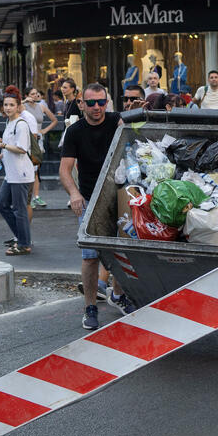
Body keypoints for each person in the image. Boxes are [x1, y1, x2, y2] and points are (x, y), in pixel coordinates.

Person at [59, 82, 135, 328]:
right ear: (81, 104)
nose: (96, 107)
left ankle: (118, 294)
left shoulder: (116, 121)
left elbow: (136, 135)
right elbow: (64, 169)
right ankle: (90, 307)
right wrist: (74, 194)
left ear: (107, 102)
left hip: (119, 196)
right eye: (91, 103)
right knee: (90, 256)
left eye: (101, 102)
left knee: (123, 250)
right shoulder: (75, 132)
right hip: (90, 198)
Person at [0, 91, 35, 256]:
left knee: (19, 209)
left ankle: (24, 243)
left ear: (18, 107)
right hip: (11, 174)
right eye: (6, 104)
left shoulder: (21, 124)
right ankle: (22, 237)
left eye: (11, 105)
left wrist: (2, 147)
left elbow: (22, 149)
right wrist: (0, 155)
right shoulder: (9, 123)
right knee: (2, 205)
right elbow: (11, 146)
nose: (8, 108)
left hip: (21, 174)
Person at [23, 86, 59, 208]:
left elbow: (54, 120)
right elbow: (12, 111)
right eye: (32, 94)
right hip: (26, 140)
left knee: (36, 170)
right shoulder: (23, 107)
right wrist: (24, 101)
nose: (36, 95)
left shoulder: (42, 106)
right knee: (27, 169)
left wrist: (44, 130)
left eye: (36, 93)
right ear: (27, 95)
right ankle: (27, 197)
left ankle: (36, 197)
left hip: (38, 140)